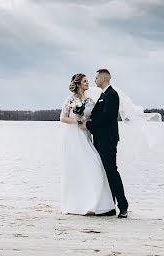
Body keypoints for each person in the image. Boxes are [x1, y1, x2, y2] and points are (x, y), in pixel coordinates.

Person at [59, 73, 115, 216]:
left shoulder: (90, 100)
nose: (88, 83)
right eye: (85, 81)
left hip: (86, 136)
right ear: (78, 84)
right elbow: (63, 118)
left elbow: (96, 116)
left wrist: (87, 123)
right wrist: (76, 121)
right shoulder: (70, 99)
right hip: (73, 137)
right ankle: (76, 204)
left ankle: (97, 203)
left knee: (95, 166)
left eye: (88, 81)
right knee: (77, 169)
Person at [84, 68, 128, 218]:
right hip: (100, 139)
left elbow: (106, 118)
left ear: (103, 79)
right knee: (104, 172)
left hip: (108, 140)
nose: (94, 80)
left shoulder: (112, 95)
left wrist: (88, 125)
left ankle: (123, 206)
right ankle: (109, 206)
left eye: (96, 78)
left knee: (111, 172)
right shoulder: (103, 94)